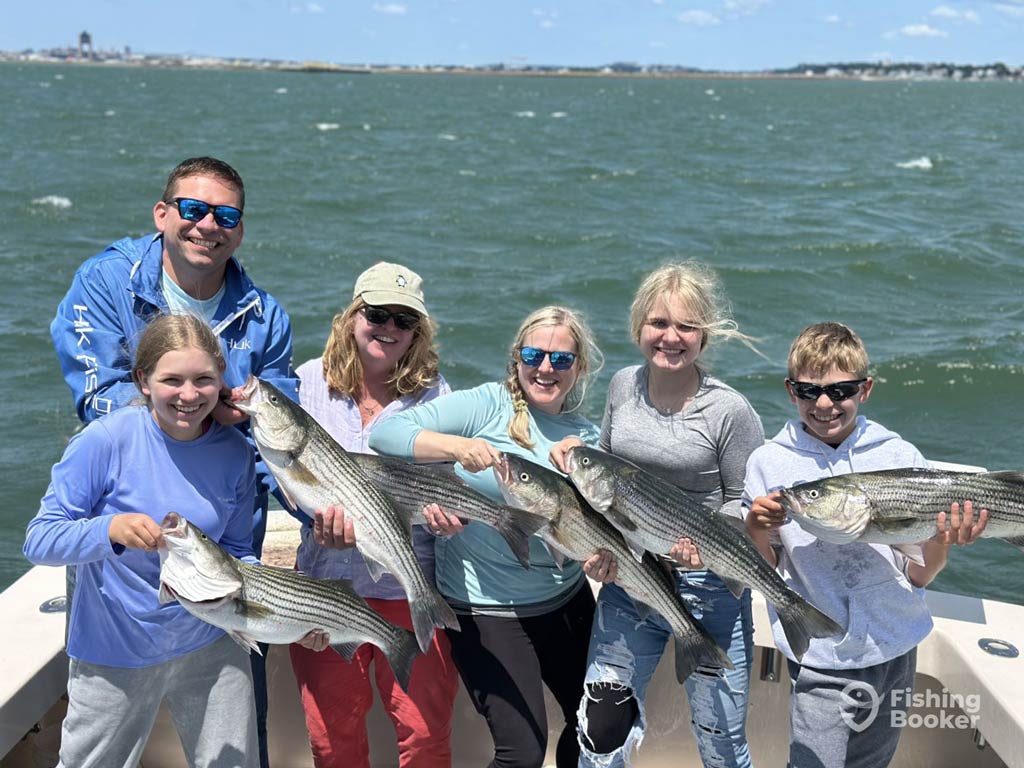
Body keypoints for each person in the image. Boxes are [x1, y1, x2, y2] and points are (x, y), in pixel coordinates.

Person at [49, 156, 298, 767]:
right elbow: (94, 392)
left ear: (240, 230)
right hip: (122, 550)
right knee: (105, 722)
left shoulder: (266, 316)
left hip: (222, 533)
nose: (207, 225)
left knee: (237, 736)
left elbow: (284, 437)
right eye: (192, 209)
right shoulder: (106, 279)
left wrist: (321, 517)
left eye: (226, 215)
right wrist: (206, 412)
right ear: (163, 214)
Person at [742, 321, 988, 768]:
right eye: (807, 390)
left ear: (866, 389)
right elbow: (764, 566)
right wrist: (756, 529)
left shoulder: (900, 457)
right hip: (820, 654)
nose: (823, 404)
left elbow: (919, 572)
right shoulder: (766, 463)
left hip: (895, 645)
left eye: (841, 391)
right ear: (789, 389)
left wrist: (943, 539)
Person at [369, 306, 603, 768]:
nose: (545, 368)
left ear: (580, 368)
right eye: (534, 354)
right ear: (517, 358)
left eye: (562, 359)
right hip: (486, 608)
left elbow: (591, 530)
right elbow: (386, 434)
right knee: (523, 754)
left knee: (599, 732)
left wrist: (601, 559)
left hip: (565, 600)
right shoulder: (486, 405)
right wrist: (457, 447)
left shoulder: (586, 438)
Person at [551, 262, 765, 768]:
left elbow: (745, 500)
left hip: (711, 585)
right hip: (629, 579)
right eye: (658, 323)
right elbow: (602, 475)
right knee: (601, 726)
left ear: (705, 335)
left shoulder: (729, 412)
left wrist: (705, 547)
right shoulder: (623, 386)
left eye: (686, 326)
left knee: (721, 738)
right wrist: (596, 554)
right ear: (638, 327)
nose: (671, 337)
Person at [23, 314, 261, 767]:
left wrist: (288, 613)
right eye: (172, 380)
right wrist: (108, 530)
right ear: (143, 380)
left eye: (203, 380)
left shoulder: (235, 451)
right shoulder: (105, 441)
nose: (189, 395)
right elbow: (40, 539)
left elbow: (239, 551)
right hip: (115, 650)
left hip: (211, 642)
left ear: (221, 381)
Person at [287, 262, 459, 767]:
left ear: (417, 334)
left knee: (425, 735)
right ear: (352, 316)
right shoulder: (303, 383)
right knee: (330, 739)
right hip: (326, 591)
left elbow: (445, 488)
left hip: (410, 590)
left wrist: (450, 517)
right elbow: (283, 480)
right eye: (377, 313)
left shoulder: (436, 395)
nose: (388, 327)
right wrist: (309, 521)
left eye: (403, 321)